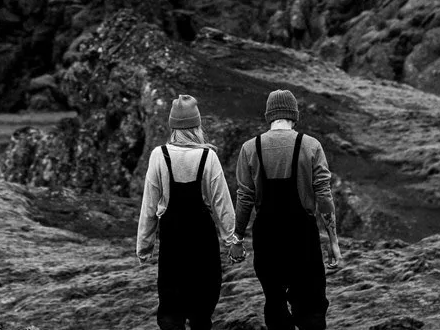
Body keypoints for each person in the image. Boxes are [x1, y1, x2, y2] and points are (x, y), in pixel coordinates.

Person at [232, 88, 340, 330]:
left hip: (267, 238)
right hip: (302, 237)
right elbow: (324, 195)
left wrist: (236, 238)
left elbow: (245, 198)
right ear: (294, 116)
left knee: (275, 304)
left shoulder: (250, 148)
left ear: (269, 116)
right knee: (311, 306)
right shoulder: (310, 146)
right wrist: (333, 242)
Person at [134, 94, 240, 330]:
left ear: (173, 125)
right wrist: (233, 240)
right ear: (197, 125)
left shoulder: (158, 155)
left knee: (171, 309)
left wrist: (144, 246)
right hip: (203, 241)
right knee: (202, 309)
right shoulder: (208, 156)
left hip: (173, 241)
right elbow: (222, 202)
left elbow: (149, 206)